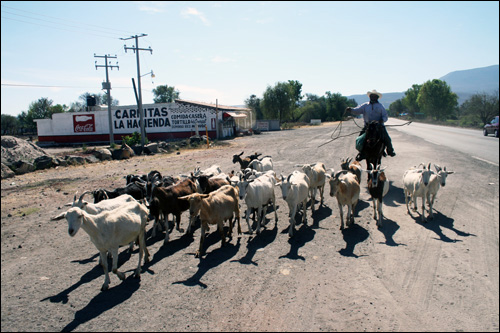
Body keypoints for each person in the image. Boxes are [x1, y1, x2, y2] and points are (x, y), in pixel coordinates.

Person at [346, 89, 395, 161]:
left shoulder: (380, 106)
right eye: (371, 96)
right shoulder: (365, 105)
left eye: (374, 96)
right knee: (359, 139)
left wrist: (382, 120)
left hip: (379, 126)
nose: (372, 97)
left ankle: (390, 150)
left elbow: (385, 116)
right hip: (368, 127)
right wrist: (351, 110)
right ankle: (362, 153)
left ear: (377, 97)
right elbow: (357, 110)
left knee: (387, 138)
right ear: (370, 97)